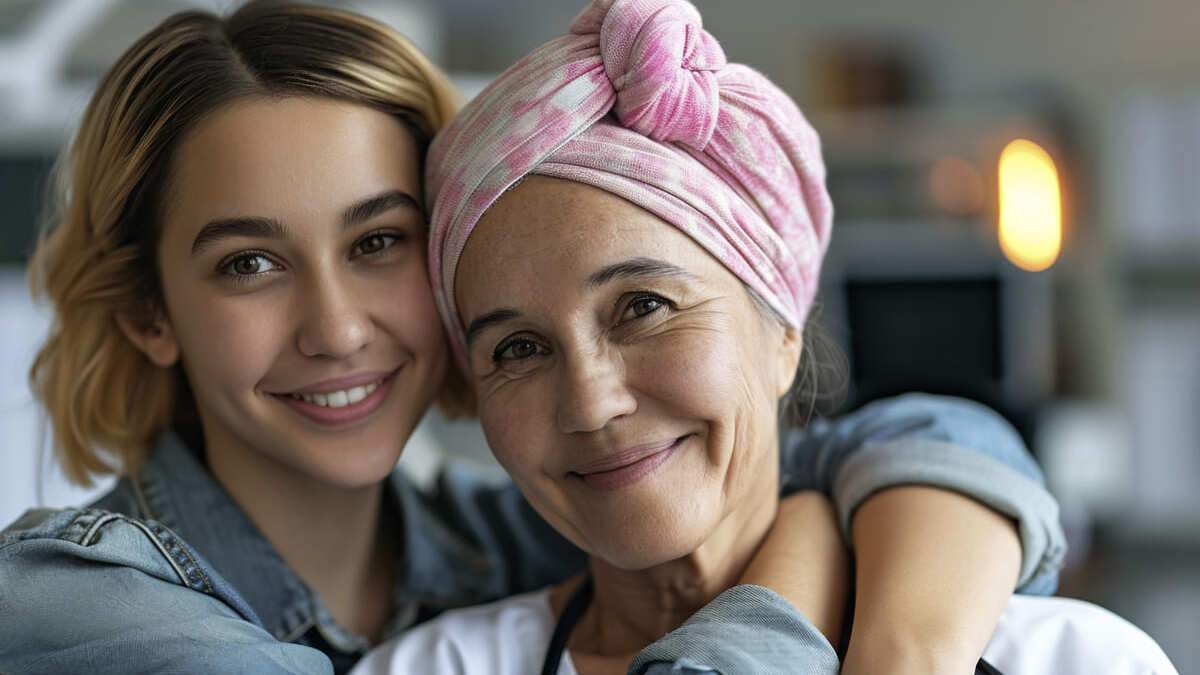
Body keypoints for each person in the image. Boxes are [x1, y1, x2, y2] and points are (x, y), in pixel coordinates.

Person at [0, 2, 1068, 674]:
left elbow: (910, 441)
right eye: (250, 263)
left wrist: (906, 647)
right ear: (148, 313)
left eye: (379, 242)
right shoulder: (65, 602)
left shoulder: (506, 539)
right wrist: (787, 585)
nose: (334, 328)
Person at [351, 0, 1177, 673]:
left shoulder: (1069, 658)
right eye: (518, 348)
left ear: (782, 332)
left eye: (643, 306)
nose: (591, 400)